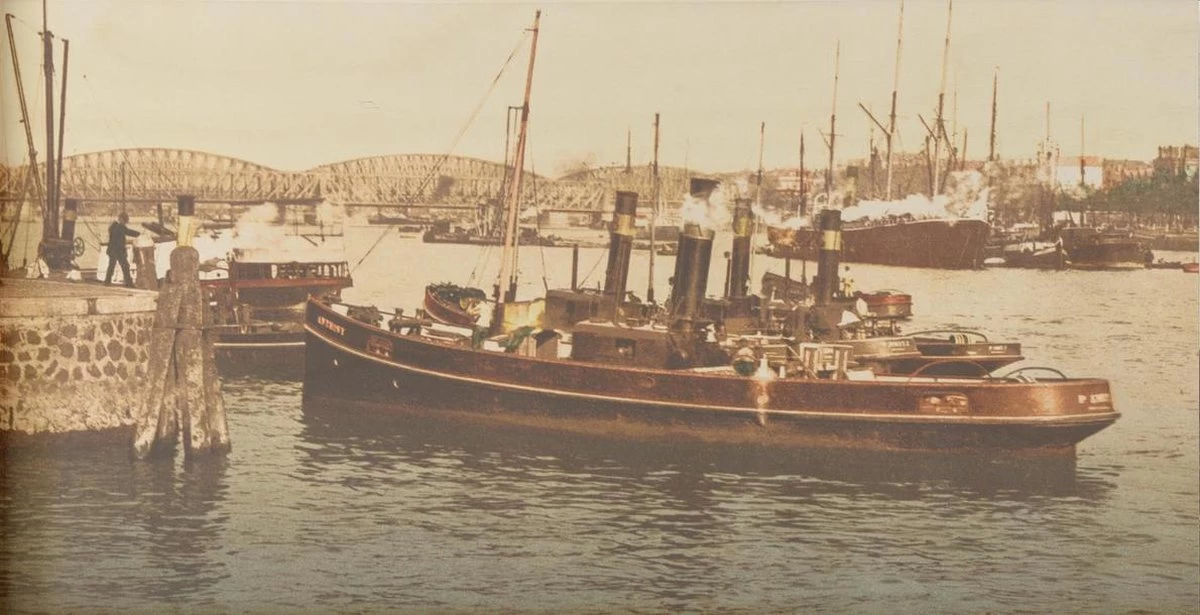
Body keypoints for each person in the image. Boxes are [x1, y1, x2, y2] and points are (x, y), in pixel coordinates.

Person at [105, 213, 140, 287]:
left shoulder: (113, 226)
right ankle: (129, 283)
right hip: (118, 250)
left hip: (112, 249)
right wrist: (139, 234)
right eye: (125, 221)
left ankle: (107, 282)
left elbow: (126, 232)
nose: (125, 223)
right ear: (121, 219)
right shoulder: (120, 226)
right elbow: (128, 232)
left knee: (111, 265)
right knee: (125, 266)